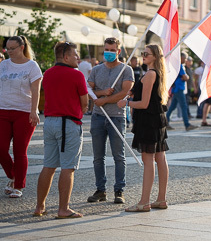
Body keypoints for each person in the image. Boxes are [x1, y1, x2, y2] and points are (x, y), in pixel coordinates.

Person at [34, 42, 88, 218]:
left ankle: (39, 206)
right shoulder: (76, 75)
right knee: (68, 167)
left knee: (48, 165)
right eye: (75, 55)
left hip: (49, 121)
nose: (77, 58)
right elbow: (85, 103)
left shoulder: (47, 74)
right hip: (69, 123)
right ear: (66, 57)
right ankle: (63, 208)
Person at [117, 45, 170, 212]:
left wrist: (126, 103)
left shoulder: (150, 74)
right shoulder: (157, 73)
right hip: (156, 119)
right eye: (143, 53)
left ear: (155, 56)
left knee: (149, 160)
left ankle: (144, 202)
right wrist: (134, 92)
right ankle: (161, 199)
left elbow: (144, 104)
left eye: (146, 54)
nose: (143, 55)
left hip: (148, 120)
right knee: (160, 158)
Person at [87, 37, 134, 204]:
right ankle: (100, 190)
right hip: (98, 117)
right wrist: (101, 94)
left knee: (118, 156)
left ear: (118, 51)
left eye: (112, 50)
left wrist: (105, 100)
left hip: (117, 117)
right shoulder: (96, 69)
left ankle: (119, 190)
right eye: (106, 49)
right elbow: (89, 89)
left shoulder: (126, 69)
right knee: (98, 156)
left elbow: (125, 92)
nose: (109, 53)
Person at [0, 36, 42, 198]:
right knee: (1, 148)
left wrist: (34, 111)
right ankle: (13, 175)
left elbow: (36, 90)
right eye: (7, 49)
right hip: (2, 110)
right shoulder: (3, 65)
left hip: (24, 112)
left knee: (19, 150)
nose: (9, 51)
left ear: (22, 47)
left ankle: (18, 186)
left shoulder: (32, 66)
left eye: (12, 48)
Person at [166, 52, 197, 131]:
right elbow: (185, 77)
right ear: (181, 58)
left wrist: (186, 77)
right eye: (185, 58)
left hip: (176, 89)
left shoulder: (178, 66)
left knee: (172, 107)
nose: (186, 60)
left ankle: (165, 122)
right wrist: (186, 77)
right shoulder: (179, 66)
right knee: (184, 106)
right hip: (179, 88)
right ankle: (187, 124)